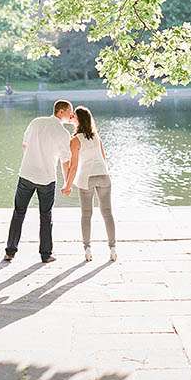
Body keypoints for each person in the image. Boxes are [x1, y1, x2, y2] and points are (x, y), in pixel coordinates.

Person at [4, 99, 75, 263]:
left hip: (26, 174)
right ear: (61, 111)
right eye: (70, 111)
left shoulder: (36, 122)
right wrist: (67, 183)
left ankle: (10, 252)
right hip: (47, 179)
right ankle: (45, 254)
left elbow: (24, 145)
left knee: (18, 213)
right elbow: (66, 160)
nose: (71, 115)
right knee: (45, 216)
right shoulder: (63, 133)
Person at [62, 105, 117, 262]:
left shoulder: (75, 140)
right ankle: (112, 249)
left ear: (78, 119)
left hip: (87, 178)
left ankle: (87, 249)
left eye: (73, 116)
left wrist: (67, 185)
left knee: (86, 215)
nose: (71, 118)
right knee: (107, 213)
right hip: (104, 176)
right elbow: (104, 158)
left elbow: (73, 167)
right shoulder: (97, 137)